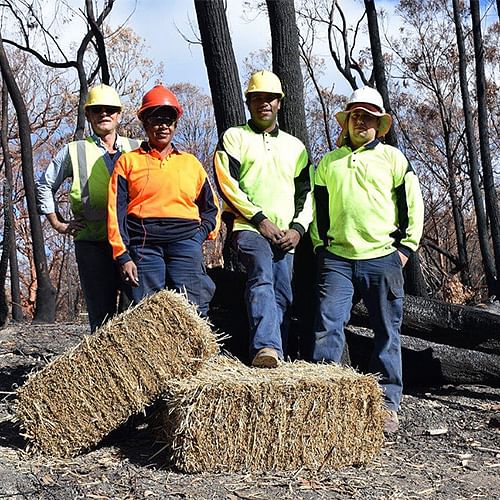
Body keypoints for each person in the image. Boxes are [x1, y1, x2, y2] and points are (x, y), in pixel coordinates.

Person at [310, 86, 425, 433]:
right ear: (346, 122)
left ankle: (388, 403)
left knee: (387, 332)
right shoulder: (328, 163)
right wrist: (320, 247)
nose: (361, 122)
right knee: (327, 327)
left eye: (368, 117)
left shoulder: (394, 159)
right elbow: (318, 209)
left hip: (383, 258)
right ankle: (322, 399)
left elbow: (412, 206)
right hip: (338, 260)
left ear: (379, 124)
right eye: (355, 116)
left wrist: (405, 249)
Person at [214, 70, 313, 368]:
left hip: (286, 235)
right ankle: (265, 348)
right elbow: (227, 184)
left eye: (269, 98)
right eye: (256, 98)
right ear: (248, 103)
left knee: (282, 293)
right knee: (261, 274)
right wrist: (259, 220)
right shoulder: (234, 137)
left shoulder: (296, 147)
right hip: (248, 228)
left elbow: (307, 194)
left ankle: (275, 361)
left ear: (279, 102)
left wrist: (297, 229)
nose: (263, 104)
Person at [36, 84, 141, 332]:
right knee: (101, 317)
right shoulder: (75, 150)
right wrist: (57, 222)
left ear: (119, 114)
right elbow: (44, 183)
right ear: (89, 115)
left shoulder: (138, 147)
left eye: (110, 109)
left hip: (132, 242)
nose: (104, 114)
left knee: (135, 314)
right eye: (97, 110)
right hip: (92, 243)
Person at [107, 85, 220, 316]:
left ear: (175, 124)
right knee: (147, 312)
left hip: (186, 242)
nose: (163, 126)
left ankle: (195, 353)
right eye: (156, 119)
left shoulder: (191, 163)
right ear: (145, 123)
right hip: (144, 245)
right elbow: (114, 214)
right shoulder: (128, 163)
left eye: (168, 119)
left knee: (194, 308)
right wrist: (123, 256)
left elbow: (212, 209)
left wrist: (198, 236)